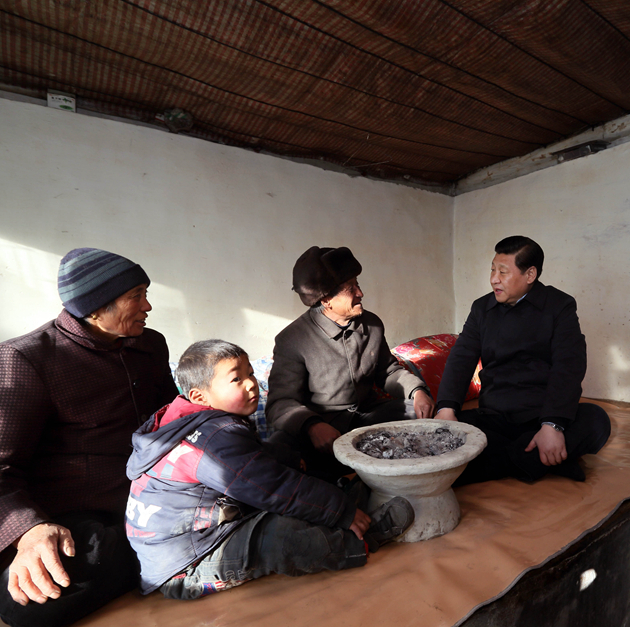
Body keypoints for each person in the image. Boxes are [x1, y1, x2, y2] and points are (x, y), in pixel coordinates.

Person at [125, 340, 414, 599]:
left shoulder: (184, 421)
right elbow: (273, 488)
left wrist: (289, 460)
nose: (251, 384)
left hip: (200, 531)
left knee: (287, 457)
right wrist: (340, 510)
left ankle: (343, 503)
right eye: (236, 379)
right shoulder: (214, 438)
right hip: (188, 564)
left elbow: (252, 458)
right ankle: (360, 540)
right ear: (200, 397)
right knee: (280, 535)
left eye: (250, 374)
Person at [0, 248, 179, 627]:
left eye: (145, 293)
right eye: (136, 296)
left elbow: (171, 419)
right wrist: (30, 531)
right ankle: (177, 545)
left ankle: (169, 541)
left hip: (159, 494)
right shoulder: (25, 359)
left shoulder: (150, 344)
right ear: (96, 308)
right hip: (81, 517)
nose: (148, 306)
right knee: (27, 606)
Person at [435, 236, 611, 484]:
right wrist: (446, 409)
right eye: (492, 270)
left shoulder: (559, 306)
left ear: (530, 274)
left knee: (596, 420)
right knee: (441, 430)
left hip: (541, 415)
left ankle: (496, 461)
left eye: (503, 272)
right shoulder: (481, 309)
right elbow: (461, 358)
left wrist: (552, 425)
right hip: (493, 417)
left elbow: (568, 366)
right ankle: (540, 460)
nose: (494, 279)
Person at [266, 246, 434, 478]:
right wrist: (312, 426)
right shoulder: (292, 340)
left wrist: (416, 391)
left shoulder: (372, 324)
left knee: (430, 419)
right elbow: (280, 402)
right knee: (277, 453)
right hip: (325, 426)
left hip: (369, 417)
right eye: (350, 289)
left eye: (358, 284)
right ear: (326, 299)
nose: (360, 293)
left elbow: (388, 371)